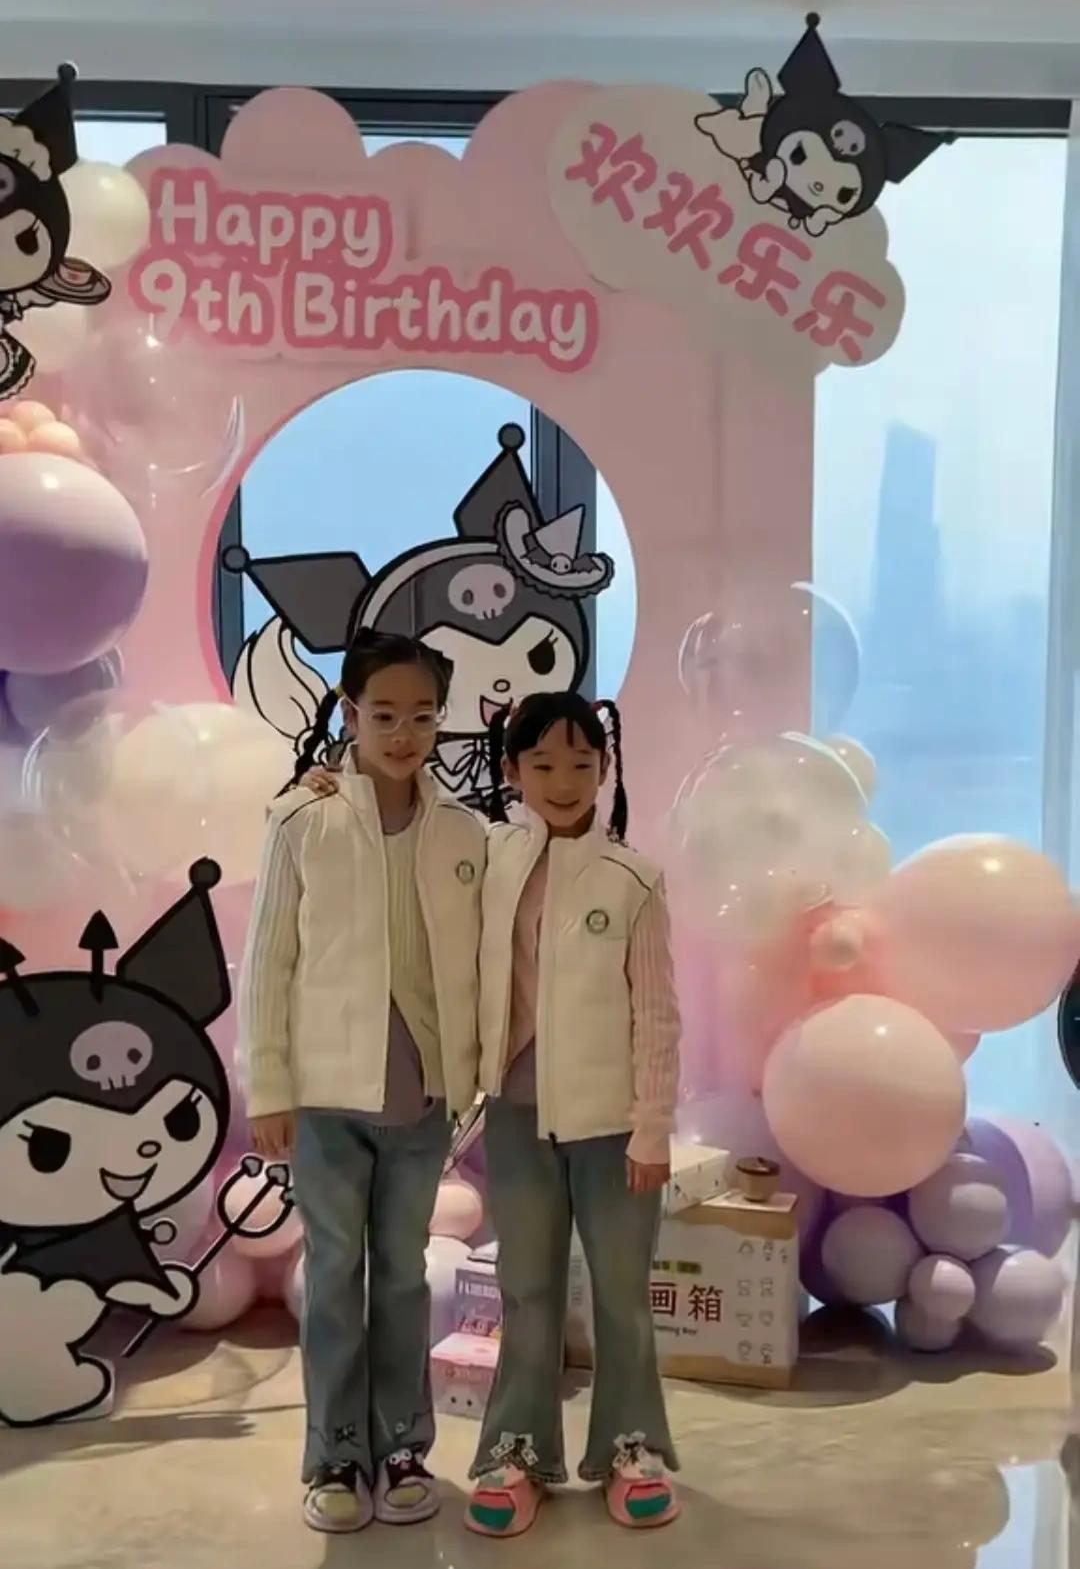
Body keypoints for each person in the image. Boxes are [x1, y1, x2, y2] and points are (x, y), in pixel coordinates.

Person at [238, 629, 486, 1536]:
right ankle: (337, 1454)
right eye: (384, 714)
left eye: (422, 715)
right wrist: (269, 1087)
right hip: (324, 1098)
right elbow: (268, 960)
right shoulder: (301, 821)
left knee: (405, 1280)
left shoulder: (463, 832)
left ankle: (404, 1447)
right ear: (350, 713)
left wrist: (476, 1076)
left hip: (423, 1098)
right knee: (336, 1277)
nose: (403, 732)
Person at [467, 691, 681, 1536]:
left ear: (604, 769)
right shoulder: (489, 858)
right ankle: (516, 1450)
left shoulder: (633, 880)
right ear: (512, 770)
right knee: (527, 1291)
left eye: (582, 764)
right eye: (544, 764)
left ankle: (633, 1447)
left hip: (613, 1127)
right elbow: (410, 822)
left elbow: (656, 1015)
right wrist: (334, 779)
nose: (564, 781)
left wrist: (653, 1128)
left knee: (623, 1295)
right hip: (516, 1116)